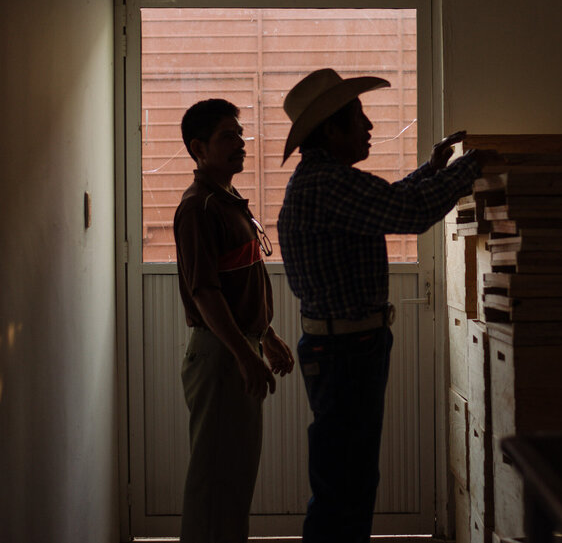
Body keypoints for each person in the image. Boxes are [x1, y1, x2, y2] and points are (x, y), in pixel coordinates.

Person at [276, 68, 483, 543]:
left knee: (348, 479)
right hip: (345, 353)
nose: (369, 128)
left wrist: (434, 170)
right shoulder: (327, 183)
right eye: (359, 118)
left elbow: (388, 200)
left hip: (346, 349)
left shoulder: (327, 181)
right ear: (332, 130)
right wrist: (471, 166)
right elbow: (405, 212)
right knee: (344, 484)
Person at [174, 98, 294, 543]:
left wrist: (267, 336)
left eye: (240, 135)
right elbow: (205, 294)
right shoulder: (198, 208)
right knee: (215, 485)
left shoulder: (225, 202)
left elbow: (238, 285)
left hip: (239, 347)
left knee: (234, 482)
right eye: (228, 136)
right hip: (221, 356)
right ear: (198, 147)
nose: (241, 143)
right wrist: (245, 356)